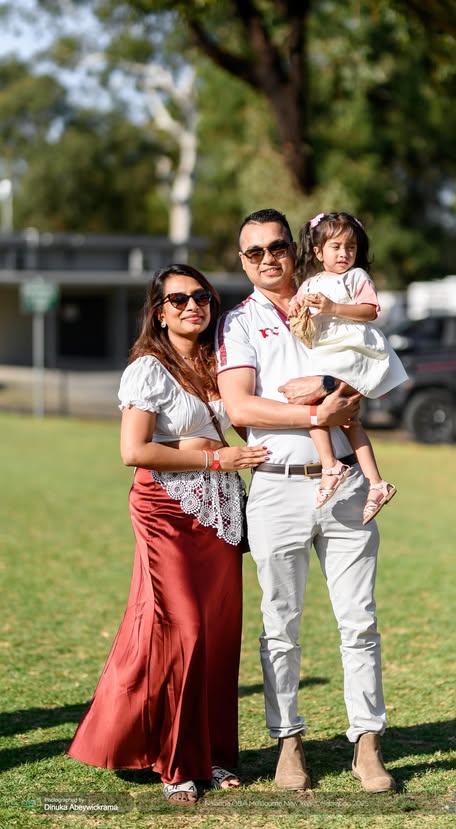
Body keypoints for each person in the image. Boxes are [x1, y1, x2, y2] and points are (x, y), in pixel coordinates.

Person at [67, 264, 268, 806]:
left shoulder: (219, 360)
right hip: (166, 510)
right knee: (188, 631)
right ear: (159, 311)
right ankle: (177, 762)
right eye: (177, 300)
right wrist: (215, 457)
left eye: (200, 297)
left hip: (220, 511)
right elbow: (134, 451)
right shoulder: (147, 369)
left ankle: (219, 755)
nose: (191, 307)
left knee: (222, 635)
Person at [215, 209, 397, 794]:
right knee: (280, 624)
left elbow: (374, 364)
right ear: (243, 261)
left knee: (359, 621)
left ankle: (367, 744)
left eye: (276, 246)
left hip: (343, 479)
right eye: (253, 252)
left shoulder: (332, 294)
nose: (268, 258)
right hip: (276, 484)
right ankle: (287, 743)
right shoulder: (237, 324)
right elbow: (242, 409)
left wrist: (329, 394)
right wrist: (317, 413)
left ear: (296, 249)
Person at [288, 211, 408, 522]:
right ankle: (377, 482)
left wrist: (333, 308)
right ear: (318, 252)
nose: (344, 254)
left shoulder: (356, 277)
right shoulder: (310, 283)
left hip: (352, 352)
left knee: (315, 406)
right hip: (327, 353)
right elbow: (297, 305)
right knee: (347, 420)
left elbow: (370, 311)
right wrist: (296, 306)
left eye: (350, 248)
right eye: (336, 247)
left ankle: (331, 465)